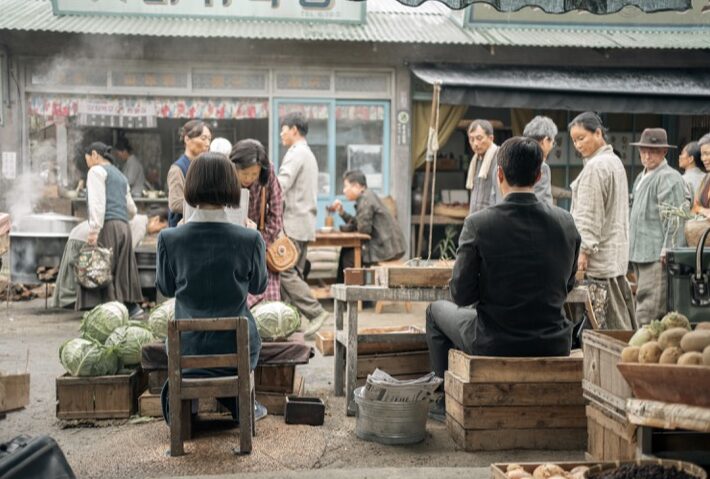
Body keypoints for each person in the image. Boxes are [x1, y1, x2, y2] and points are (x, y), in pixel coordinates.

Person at [425, 137, 580, 421]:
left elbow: (461, 295)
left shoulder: (479, 223)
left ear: (499, 174)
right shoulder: (566, 221)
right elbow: (568, 284)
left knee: (435, 310)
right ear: (538, 174)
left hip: (495, 340)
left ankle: (443, 401)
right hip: (554, 340)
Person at [156, 152, 268, 423]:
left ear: (191, 186)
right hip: (237, 348)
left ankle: (186, 404)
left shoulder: (169, 238)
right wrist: (255, 240)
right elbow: (259, 285)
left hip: (186, 348)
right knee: (248, 336)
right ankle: (237, 400)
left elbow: (166, 288)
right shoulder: (250, 237)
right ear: (232, 187)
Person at [569, 112, 635, 330]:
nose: (577, 145)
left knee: (607, 328)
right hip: (614, 257)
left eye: (582, 138)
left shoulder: (596, 167)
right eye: (574, 140)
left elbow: (589, 215)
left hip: (600, 263)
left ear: (598, 133)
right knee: (619, 323)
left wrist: (583, 252)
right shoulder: (614, 161)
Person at [277, 112, 329, 337]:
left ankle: (316, 312)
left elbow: (280, 186)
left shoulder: (296, 153)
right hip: (304, 222)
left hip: (294, 222)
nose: (281, 133)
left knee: (284, 272)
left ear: (294, 130)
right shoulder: (308, 153)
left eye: (283, 129)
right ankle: (292, 322)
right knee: (293, 274)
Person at [77, 142, 143, 315]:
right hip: (124, 227)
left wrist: (94, 230)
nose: (88, 164)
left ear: (94, 155)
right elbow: (132, 209)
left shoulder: (96, 171)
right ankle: (131, 307)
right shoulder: (120, 175)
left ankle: (111, 312)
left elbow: (97, 203)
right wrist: (121, 218)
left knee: (103, 268)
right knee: (122, 269)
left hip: (108, 225)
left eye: (87, 160)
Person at [52, 211, 168, 309]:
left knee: (78, 273)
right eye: (160, 229)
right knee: (86, 274)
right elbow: (127, 252)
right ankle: (80, 303)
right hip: (84, 238)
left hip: (78, 234)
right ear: (157, 220)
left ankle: (75, 302)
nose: (157, 233)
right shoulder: (141, 226)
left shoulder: (138, 219)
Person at [628, 128, 686, 325]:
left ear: (664, 152)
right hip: (640, 252)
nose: (646, 155)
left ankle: (641, 353)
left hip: (656, 255)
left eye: (652, 151)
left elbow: (675, 217)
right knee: (643, 304)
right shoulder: (640, 177)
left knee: (650, 310)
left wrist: (668, 249)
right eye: (643, 150)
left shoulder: (668, 177)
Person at [230, 139, 284, 308]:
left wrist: (260, 242)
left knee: (268, 301)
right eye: (244, 173)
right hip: (231, 245)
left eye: (254, 174)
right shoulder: (224, 173)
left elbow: (276, 214)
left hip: (261, 243)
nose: (249, 179)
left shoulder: (268, 174)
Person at [329, 170, 405, 283]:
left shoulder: (366, 199)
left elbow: (363, 229)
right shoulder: (366, 196)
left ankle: (357, 296)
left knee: (349, 256)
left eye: (346, 187)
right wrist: (341, 212)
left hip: (387, 248)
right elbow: (359, 223)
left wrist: (349, 227)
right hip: (385, 245)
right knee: (347, 251)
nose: (344, 191)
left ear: (356, 186)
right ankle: (344, 293)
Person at [167, 120, 212, 227]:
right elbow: (175, 203)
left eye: (209, 139)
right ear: (187, 139)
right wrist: (207, 204)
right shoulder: (177, 169)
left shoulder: (206, 167)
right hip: (182, 229)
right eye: (203, 138)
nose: (208, 144)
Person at [521, 115, 556, 206]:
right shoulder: (541, 167)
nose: (552, 146)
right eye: (552, 142)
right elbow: (542, 202)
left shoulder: (506, 161)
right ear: (545, 141)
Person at [466, 119, 499, 214]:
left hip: (492, 218)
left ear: (491, 138)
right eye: (471, 139)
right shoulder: (475, 160)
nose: (475, 144)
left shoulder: (500, 158)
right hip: (475, 217)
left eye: (479, 138)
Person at [691, 134, 710, 218]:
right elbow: (695, 206)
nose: (703, 158)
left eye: (707, 153)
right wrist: (702, 210)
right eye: (702, 154)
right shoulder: (706, 178)